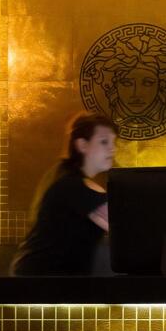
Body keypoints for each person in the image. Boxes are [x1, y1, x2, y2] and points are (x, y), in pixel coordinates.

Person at [11, 112, 117, 275]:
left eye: (113, 142)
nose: (112, 148)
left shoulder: (64, 177)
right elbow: (122, 225)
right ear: (82, 145)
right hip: (43, 281)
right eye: (104, 142)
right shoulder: (76, 187)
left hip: (35, 276)